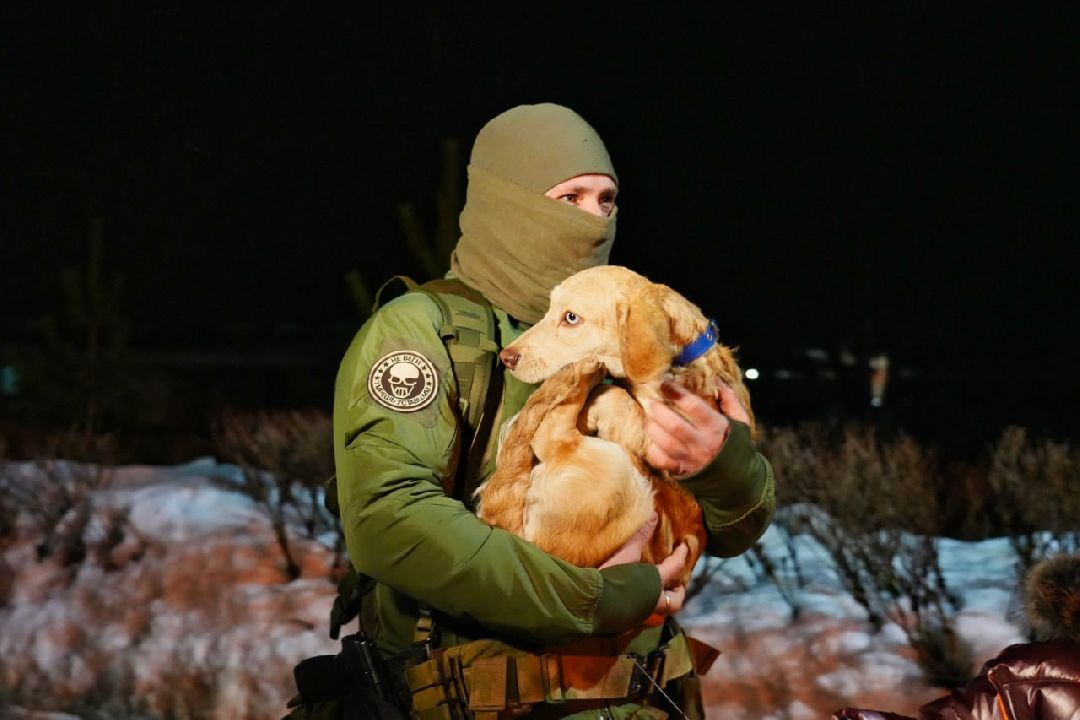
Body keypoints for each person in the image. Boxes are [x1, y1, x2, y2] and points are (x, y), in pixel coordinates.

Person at [319, 103, 775, 719]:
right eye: (569, 198)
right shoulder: (424, 332)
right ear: (507, 204)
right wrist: (591, 598)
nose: (593, 220)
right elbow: (389, 520)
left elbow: (732, 530)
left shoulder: (625, 322)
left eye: (606, 200)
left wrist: (723, 467)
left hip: (644, 699)